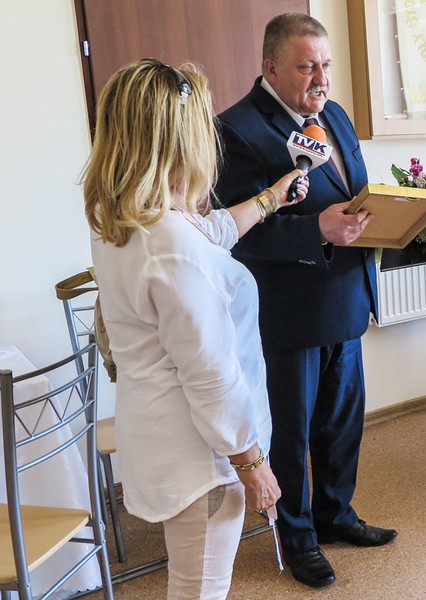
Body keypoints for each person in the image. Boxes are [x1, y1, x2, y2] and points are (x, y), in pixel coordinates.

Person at [83, 58, 306, 598]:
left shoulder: (127, 223)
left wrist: (272, 197)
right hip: (201, 457)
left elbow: (211, 231)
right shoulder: (172, 247)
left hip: (159, 431)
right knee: (198, 589)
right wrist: (251, 462)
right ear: (178, 139)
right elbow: (211, 374)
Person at [214, 13, 396, 589]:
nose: (321, 78)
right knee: (290, 436)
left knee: (342, 425)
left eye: (325, 64)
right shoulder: (236, 130)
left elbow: (351, 193)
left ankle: (336, 514)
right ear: (271, 68)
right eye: (306, 66)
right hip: (290, 313)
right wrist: (316, 229)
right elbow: (236, 233)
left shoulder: (334, 115)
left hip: (347, 297)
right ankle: (297, 539)